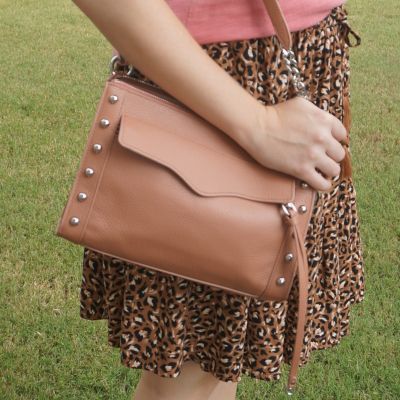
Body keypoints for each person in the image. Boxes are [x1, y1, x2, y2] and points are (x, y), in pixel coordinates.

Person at [73, 1, 364, 399]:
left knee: (219, 358)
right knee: (187, 378)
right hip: (219, 81)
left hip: (302, 64)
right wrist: (259, 126)